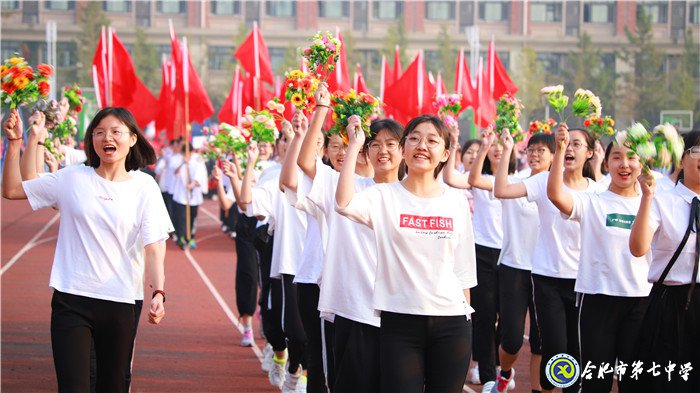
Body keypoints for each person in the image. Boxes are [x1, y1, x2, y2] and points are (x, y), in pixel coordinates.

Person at [2, 107, 170, 392]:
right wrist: (16, 142)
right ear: (91, 139)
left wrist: (158, 293)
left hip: (121, 301)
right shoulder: (72, 178)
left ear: (132, 139)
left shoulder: (145, 187)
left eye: (116, 132)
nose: (108, 137)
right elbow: (13, 189)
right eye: (100, 132)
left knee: (112, 385)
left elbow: (154, 247)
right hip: (72, 298)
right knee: (73, 386)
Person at [336, 114, 477, 392]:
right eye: (414, 138)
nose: (421, 145)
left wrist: (467, 318)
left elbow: (463, 271)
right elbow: (344, 203)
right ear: (404, 150)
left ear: (445, 154)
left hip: (452, 323)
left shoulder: (456, 202)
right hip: (400, 322)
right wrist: (355, 145)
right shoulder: (383, 196)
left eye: (432, 140)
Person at [548, 130, 652, 393]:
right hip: (597, 298)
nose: (624, 164)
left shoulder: (652, 203)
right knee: (596, 381)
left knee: (634, 380)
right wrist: (560, 150)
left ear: (642, 164)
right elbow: (556, 195)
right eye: (617, 157)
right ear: (606, 163)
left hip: (640, 301)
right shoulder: (592, 201)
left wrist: (649, 196)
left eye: (632, 158)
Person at [479, 131, 555, 393]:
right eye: (531, 150)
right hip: (513, 268)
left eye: (541, 150)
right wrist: (504, 150)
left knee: (540, 340)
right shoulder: (516, 182)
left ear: (554, 156)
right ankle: (506, 371)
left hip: (545, 271)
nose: (535, 154)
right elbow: (479, 181)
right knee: (511, 339)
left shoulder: (558, 188)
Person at [629, 130, 699, 393]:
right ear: (681, 160)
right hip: (670, 304)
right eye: (698, 151)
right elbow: (638, 248)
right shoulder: (661, 199)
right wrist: (646, 197)